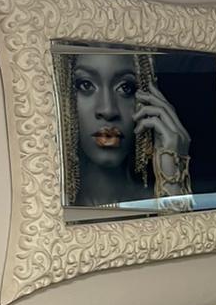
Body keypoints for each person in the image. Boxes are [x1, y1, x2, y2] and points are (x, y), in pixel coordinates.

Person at [55, 49, 193, 210]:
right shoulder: (46, 206)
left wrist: (174, 175)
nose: (108, 110)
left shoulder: (155, 203)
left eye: (125, 88)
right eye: (86, 85)